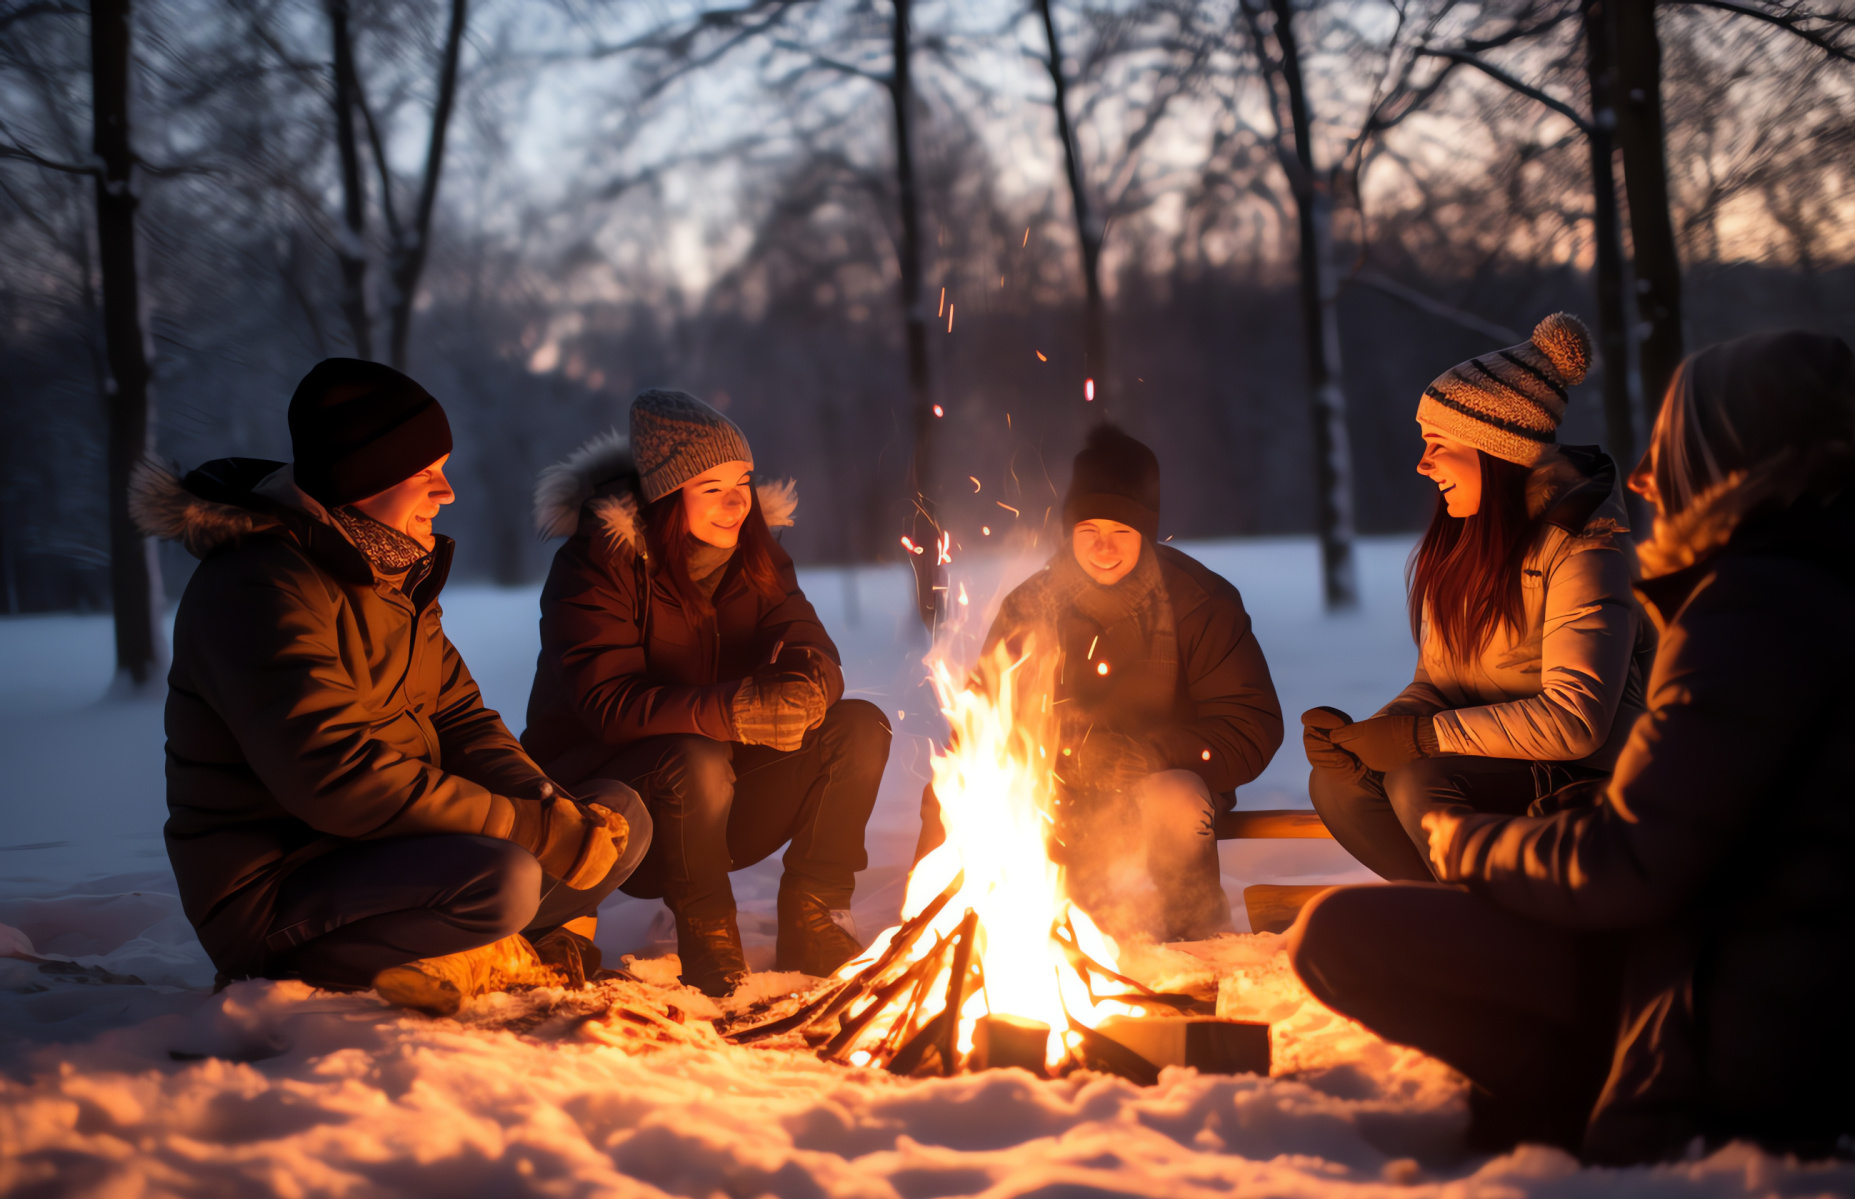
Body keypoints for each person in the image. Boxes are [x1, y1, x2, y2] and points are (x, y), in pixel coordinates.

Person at [1290, 330, 1855, 1163]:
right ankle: (1554, 1055)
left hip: (1735, 1006)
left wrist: (1462, 841)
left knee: (1345, 921)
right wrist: (1377, 734)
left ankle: (1569, 1089)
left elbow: (1626, 843)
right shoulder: (1827, 590)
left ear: (1727, 457)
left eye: (1669, 450)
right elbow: (1443, 686)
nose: (1648, 477)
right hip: (1742, 964)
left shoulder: (1746, 605)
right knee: (1367, 781)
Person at [132, 358, 648, 1016]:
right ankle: (491, 950)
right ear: (362, 478)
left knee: (614, 814)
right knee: (507, 877)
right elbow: (335, 775)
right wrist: (527, 829)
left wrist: (547, 809)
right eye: (426, 473)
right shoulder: (257, 589)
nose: (448, 492)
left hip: (399, 856)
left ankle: (521, 949)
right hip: (284, 896)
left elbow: (461, 720)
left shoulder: (389, 572)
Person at [525, 391, 891, 998]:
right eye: (711, 486)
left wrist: (805, 687)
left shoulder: (757, 554)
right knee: (695, 753)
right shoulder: (597, 564)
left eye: (743, 480)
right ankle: (708, 933)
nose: (737, 501)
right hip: (619, 814)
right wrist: (736, 711)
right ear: (669, 493)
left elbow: (810, 645)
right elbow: (607, 703)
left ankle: (815, 912)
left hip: (717, 800)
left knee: (858, 726)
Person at [1303, 313, 1648, 882]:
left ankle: (1490, 937)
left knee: (1421, 779)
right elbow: (1439, 684)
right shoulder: (1465, 542)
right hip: (1486, 762)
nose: (1423, 464)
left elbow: (1577, 720)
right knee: (1339, 783)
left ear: (1496, 448)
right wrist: (1368, 737)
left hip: (1587, 778)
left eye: (1438, 444)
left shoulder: (1586, 550)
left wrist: (1418, 739)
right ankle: (1446, 917)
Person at [917, 424, 1285, 941]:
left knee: (1174, 800)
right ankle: (1005, 934)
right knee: (1057, 915)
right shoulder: (1031, 606)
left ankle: (1193, 932)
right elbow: (976, 739)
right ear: (1069, 531)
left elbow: (1251, 725)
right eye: (1089, 530)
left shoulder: (1200, 603)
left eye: (1122, 532)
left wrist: (1156, 753)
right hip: (1059, 793)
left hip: (1165, 790)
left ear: (1147, 532)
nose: (1104, 548)